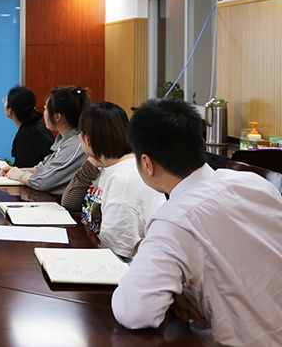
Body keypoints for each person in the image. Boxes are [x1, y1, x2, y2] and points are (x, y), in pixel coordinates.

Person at [112, 99, 282, 345]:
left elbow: (135, 311)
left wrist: (172, 291)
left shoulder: (173, 221)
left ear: (146, 164)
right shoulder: (254, 183)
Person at [76, 102, 166, 259]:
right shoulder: (106, 166)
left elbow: (116, 250)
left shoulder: (125, 178)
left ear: (87, 139)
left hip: (124, 267)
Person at [0, 86, 89, 196]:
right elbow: (44, 168)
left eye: (46, 109)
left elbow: (42, 181)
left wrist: (18, 174)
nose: (43, 113)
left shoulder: (75, 145)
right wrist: (19, 170)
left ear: (57, 116)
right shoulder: (64, 140)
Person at [3, 86, 54, 167]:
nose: (4, 103)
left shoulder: (25, 135)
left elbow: (24, 169)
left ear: (10, 110)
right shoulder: (38, 128)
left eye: (6, 101)